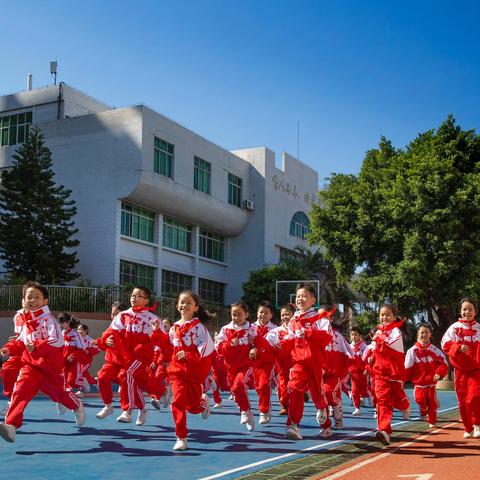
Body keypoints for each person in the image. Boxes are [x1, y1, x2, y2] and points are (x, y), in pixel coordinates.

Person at [0, 281, 85, 443]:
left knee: (60, 395)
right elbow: (20, 342)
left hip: (49, 368)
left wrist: (37, 346)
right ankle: (11, 426)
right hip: (30, 366)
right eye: (29, 297)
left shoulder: (49, 320)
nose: (33, 300)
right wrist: (8, 349)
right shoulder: (26, 321)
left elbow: (56, 341)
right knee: (21, 390)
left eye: (37, 297)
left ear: (45, 301)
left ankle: (76, 405)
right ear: (24, 300)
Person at [284, 284, 333, 441]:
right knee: (294, 389)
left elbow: (327, 337)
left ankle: (326, 425)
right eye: (298, 296)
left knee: (318, 396)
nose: (300, 299)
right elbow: (289, 338)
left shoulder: (319, 319)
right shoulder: (293, 320)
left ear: (313, 300)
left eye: (304, 296)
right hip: (299, 363)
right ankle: (293, 425)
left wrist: (309, 332)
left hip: (315, 364)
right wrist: (283, 342)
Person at [167, 290, 215, 451]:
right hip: (178, 372)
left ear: (196, 308)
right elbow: (168, 349)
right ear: (177, 306)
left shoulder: (199, 327)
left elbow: (206, 349)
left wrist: (188, 354)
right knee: (177, 402)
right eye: (182, 302)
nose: (184, 305)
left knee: (193, 407)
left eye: (188, 302)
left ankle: (203, 403)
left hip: (193, 372)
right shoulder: (173, 328)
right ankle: (181, 437)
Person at [108, 287, 163, 426]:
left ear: (146, 301)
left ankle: (127, 411)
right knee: (133, 382)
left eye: (139, 296)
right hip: (127, 356)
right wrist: (107, 340)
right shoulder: (123, 315)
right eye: (133, 295)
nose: (134, 297)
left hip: (143, 357)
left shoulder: (152, 318)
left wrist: (161, 355)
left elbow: (163, 340)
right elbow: (111, 332)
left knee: (126, 374)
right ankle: (143, 408)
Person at [371, 303, 410, 446]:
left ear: (394, 317)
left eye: (388, 314)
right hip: (380, 373)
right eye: (382, 314)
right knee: (382, 401)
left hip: (394, 373)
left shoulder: (395, 332)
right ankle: (384, 430)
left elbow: (387, 347)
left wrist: (378, 338)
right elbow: (375, 350)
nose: (384, 317)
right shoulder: (378, 332)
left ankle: (405, 404)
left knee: (398, 399)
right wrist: (370, 357)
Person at [441, 297, 480, 438]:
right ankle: (468, 428)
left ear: (475, 311)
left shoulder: (479, 328)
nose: (467, 312)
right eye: (465, 309)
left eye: (470, 309)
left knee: (475, 396)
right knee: (463, 400)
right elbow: (444, 344)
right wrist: (457, 347)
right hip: (460, 371)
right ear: (460, 311)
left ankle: (477, 425)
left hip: (476, 370)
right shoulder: (454, 328)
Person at [215, 301, 256, 432]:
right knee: (234, 390)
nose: (236, 318)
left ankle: (245, 411)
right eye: (234, 314)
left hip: (246, 365)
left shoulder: (251, 329)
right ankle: (247, 410)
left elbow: (259, 342)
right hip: (230, 367)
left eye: (240, 314)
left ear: (246, 315)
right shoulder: (225, 330)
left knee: (239, 385)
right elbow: (218, 347)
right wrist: (229, 344)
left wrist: (254, 349)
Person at [405, 323, 448, 428]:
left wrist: (439, 373)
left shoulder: (434, 350)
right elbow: (407, 367)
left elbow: (444, 363)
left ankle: (432, 421)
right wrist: (403, 380)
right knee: (420, 401)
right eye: (421, 333)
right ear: (418, 335)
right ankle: (423, 410)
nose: (423, 335)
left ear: (430, 334)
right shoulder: (412, 351)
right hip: (419, 384)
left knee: (432, 404)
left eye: (426, 332)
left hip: (431, 384)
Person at [319, 308, 352, 437]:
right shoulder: (313, 335)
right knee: (321, 400)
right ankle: (325, 427)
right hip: (318, 374)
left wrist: (349, 368)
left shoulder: (338, 336)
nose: (323, 319)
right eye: (320, 317)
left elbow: (349, 352)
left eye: (325, 316)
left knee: (329, 393)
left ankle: (338, 414)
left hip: (333, 374)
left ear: (331, 319)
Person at [94, 301, 129, 419]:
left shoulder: (130, 329)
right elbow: (101, 344)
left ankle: (129, 410)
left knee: (132, 384)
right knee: (102, 376)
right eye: (113, 314)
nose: (114, 317)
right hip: (112, 363)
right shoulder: (110, 329)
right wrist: (105, 342)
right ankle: (108, 406)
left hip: (127, 365)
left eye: (117, 315)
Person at [250, 301, 277, 425]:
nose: (263, 315)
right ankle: (266, 404)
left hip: (268, 362)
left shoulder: (275, 329)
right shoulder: (250, 328)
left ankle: (264, 411)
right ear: (257, 313)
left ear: (271, 315)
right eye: (261, 312)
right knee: (258, 387)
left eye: (266, 313)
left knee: (264, 384)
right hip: (254, 363)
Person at [266, 304, 295, 415]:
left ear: (293, 315)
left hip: (295, 363)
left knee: (295, 384)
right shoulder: (276, 331)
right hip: (281, 365)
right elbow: (266, 344)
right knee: (282, 385)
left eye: (287, 314)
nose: (285, 317)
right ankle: (283, 405)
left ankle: (300, 396)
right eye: (283, 315)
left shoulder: (298, 330)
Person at [58, 312, 87, 395]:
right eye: (60, 322)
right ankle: (69, 397)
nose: (61, 324)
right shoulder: (61, 334)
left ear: (68, 322)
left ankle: (80, 384)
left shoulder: (75, 334)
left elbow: (82, 347)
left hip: (73, 362)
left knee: (71, 380)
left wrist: (73, 357)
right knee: (63, 380)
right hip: (63, 362)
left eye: (62, 322)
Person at [348, 327, 369, 416]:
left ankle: (369, 399)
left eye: (356, 335)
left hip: (362, 371)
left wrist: (366, 368)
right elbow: (347, 358)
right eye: (352, 335)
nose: (354, 336)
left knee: (364, 388)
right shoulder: (349, 346)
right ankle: (357, 408)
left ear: (360, 336)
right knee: (354, 390)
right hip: (353, 372)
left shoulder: (364, 346)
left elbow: (366, 357)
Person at [77, 323, 101, 394]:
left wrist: (89, 351)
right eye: (78, 329)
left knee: (79, 372)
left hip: (86, 362)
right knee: (85, 375)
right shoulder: (77, 339)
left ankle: (80, 390)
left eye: (80, 329)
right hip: (78, 361)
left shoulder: (90, 340)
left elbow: (98, 349)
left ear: (85, 330)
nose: (78, 331)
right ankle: (96, 382)